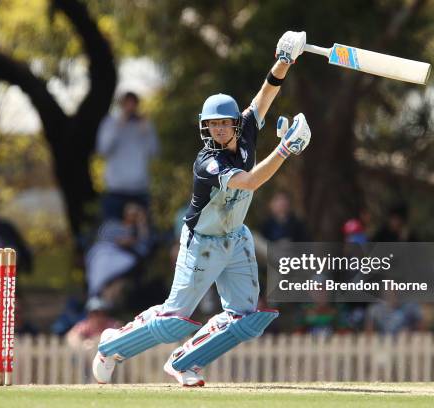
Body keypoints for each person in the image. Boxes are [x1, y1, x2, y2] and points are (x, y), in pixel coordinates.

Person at [92, 31, 312, 386]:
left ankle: (185, 362)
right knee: (173, 320)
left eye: (224, 123)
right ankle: (112, 345)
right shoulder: (207, 162)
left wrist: (285, 60)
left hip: (235, 238)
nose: (219, 129)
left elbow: (267, 92)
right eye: (212, 124)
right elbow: (250, 182)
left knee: (247, 318)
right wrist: (285, 150)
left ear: (235, 124)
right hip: (203, 244)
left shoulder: (248, 129)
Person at [96, 92, 159, 220]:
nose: (130, 108)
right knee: (113, 231)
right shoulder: (110, 122)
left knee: (142, 233)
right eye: (127, 104)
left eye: (133, 104)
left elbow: (154, 152)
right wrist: (118, 126)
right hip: (115, 189)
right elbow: (103, 150)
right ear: (121, 105)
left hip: (139, 189)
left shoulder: (145, 124)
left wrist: (146, 132)